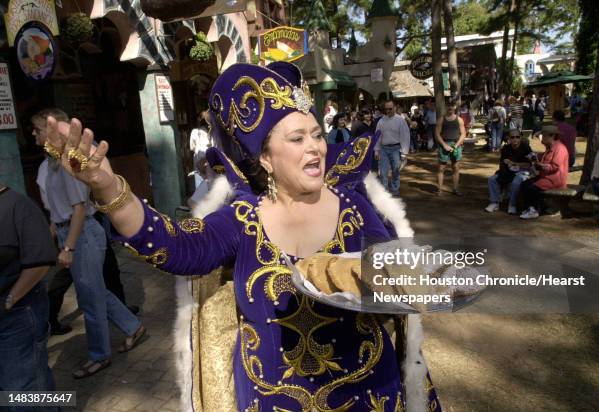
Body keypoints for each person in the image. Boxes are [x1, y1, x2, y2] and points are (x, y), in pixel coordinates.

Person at [42, 61, 442, 411]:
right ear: (265, 158)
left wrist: (419, 278)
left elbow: (395, 273)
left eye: (317, 134)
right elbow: (175, 247)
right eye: (297, 138)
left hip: (366, 394)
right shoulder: (242, 219)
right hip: (271, 401)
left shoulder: (353, 208)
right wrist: (109, 188)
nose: (316, 148)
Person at [31, 109, 146, 378]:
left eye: (37, 130)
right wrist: (53, 241)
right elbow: (54, 211)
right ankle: (133, 327)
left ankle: (99, 355)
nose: (34, 135)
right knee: (96, 292)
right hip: (67, 233)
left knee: (90, 299)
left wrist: (68, 248)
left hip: (83, 235)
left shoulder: (69, 167)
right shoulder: (45, 167)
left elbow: (79, 209)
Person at [0, 183, 58, 410]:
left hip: (17, 317)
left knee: (26, 390)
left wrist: (9, 301)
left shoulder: (18, 206)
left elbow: (40, 263)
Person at [519, 125, 569, 219]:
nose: (542, 138)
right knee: (525, 184)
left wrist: (540, 165)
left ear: (552, 136)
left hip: (554, 179)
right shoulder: (549, 147)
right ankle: (529, 208)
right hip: (545, 176)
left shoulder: (559, 148)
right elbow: (544, 161)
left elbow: (554, 167)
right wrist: (536, 160)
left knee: (532, 188)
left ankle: (534, 210)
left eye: (544, 136)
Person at [485, 129, 534, 214]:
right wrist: (506, 165)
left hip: (522, 172)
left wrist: (515, 163)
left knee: (516, 181)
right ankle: (494, 202)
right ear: (509, 139)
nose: (515, 139)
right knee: (492, 179)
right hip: (507, 171)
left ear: (520, 137)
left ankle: (512, 205)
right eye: (512, 137)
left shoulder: (526, 148)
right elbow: (502, 162)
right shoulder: (506, 148)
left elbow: (529, 165)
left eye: (517, 137)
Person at [375, 100, 411, 197]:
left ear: (395, 108)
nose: (388, 111)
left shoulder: (400, 120)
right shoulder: (381, 121)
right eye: (386, 109)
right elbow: (377, 137)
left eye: (390, 109)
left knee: (396, 171)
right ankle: (385, 192)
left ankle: (395, 190)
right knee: (383, 172)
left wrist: (404, 152)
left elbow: (405, 136)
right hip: (383, 149)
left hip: (396, 148)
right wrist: (376, 150)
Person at [435, 101, 466, 196]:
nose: (450, 107)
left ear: (455, 107)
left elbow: (463, 133)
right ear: (446, 107)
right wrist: (444, 145)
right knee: (441, 168)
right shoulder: (441, 119)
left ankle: (455, 189)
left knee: (455, 167)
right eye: (448, 105)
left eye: (452, 105)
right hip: (444, 144)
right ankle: (439, 189)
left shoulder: (459, 120)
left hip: (456, 145)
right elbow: (437, 133)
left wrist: (456, 145)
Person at [190, 110, 212, 189]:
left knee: (200, 184)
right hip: (210, 158)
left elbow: (192, 147)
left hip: (199, 159)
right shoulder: (212, 132)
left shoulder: (194, 132)